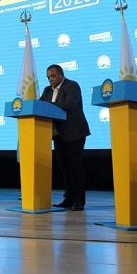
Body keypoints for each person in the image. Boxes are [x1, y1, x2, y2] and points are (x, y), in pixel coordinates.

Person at [39, 64, 90, 211]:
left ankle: (79, 201)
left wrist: (49, 105)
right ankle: (68, 199)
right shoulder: (47, 90)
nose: (51, 79)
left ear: (61, 74)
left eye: (53, 76)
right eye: (48, 77)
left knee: (75, 167)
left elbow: (68, 105)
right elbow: (39, 106)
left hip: (74, 133)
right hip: (57, 134)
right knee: (64, 169)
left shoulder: (72, 86)